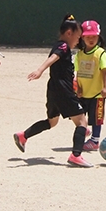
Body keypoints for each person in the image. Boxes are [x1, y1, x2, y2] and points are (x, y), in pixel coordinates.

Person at [13, 14, 94, 168]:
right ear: (69, 33)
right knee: (82, 121)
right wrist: (40, 70)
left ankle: (23, 135)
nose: (78, 41)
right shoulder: (63, 46)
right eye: (77, 37)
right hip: (62, 89)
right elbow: (53, 58)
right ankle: (76, 155)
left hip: (54, 89)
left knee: (52, 122)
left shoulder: (62, 46)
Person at [74, 20, 106, 151]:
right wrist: (78, 87)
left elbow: (104, 70)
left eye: (93, 36)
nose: (91, 39)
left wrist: (105, 87)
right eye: (88, 36)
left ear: (98, 37)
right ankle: (85, 130)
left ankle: (95, 140)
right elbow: (78, 72)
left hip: (97, 93)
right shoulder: (79, 54)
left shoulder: (100, 53)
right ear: (82, 38)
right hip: (83, 92)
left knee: (96, 118)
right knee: (79, 114)